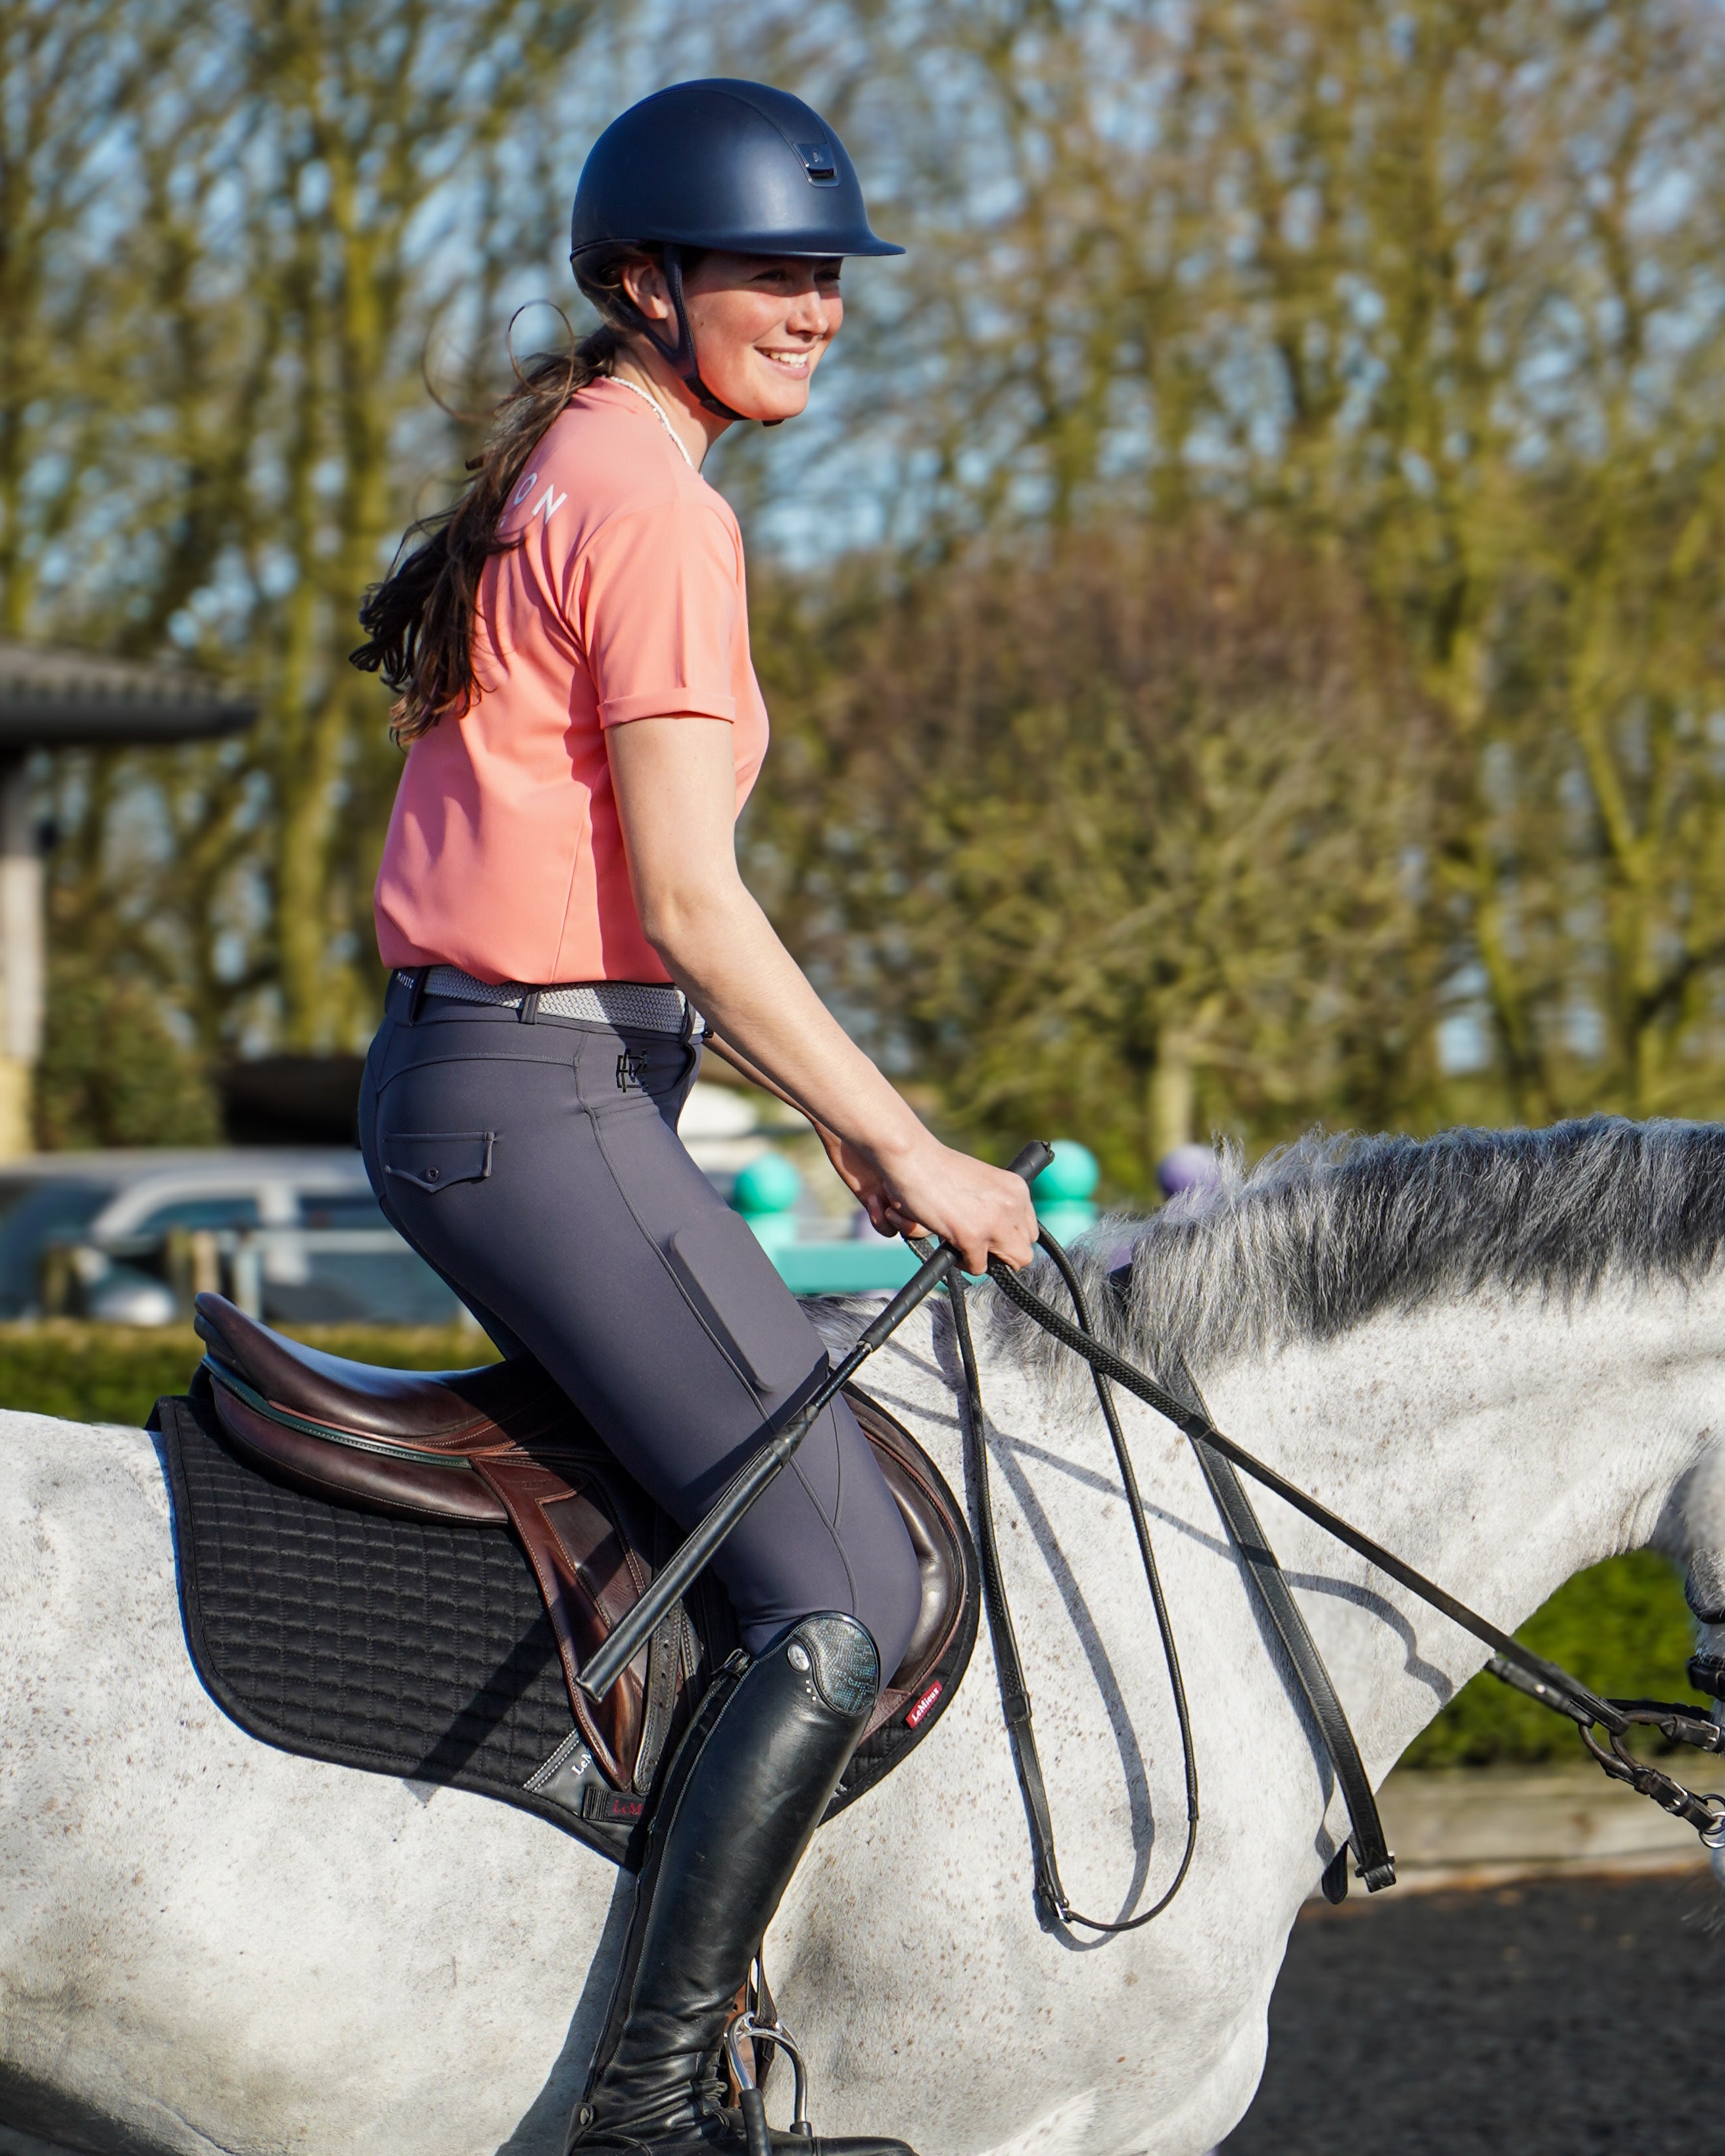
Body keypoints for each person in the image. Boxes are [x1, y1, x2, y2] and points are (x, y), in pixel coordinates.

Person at [349, 78, 1036, 2156]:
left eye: (829, 279)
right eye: (773, 273)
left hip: (529, 1077)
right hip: (539, 1106)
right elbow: (690, 901)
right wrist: (905, 1138)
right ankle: (650, 2109)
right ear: (648, 283)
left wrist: (786, 1099)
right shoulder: (655, 506)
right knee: (847, 1595)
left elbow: (592, 911)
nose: (817, 310)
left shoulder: (580, 460)